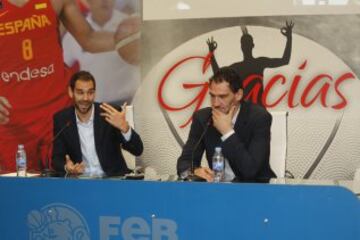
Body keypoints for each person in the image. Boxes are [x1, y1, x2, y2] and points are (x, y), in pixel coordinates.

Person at [0, 0, 133, 172]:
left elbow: (89, 38)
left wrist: (132, 39)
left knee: (69, 182)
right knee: (18, 193)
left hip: (57, 115)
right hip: (11, 122)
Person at [177, 67, 276, 182]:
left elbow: (250, 171)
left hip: (255, 190)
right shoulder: (203, 118)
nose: (215, 103)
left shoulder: (259, 117)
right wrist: (193, 171)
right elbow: (184, 162)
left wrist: (227, 132)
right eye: (212, 96)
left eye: (222, 97)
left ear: (238, 95)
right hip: (219, 191)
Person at [51, 71, 143, 176]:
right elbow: (56, 158)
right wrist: (67, 167)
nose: (85, 98)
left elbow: (138, 150)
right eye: (80, 92)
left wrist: (125, 128)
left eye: (90, 92)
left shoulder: (109, 113)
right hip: (82, 184)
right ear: (71, 92)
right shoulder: (62, 119)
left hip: (113, 182)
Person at [63, 0, 140, 104]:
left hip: (128, 102)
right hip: (94, 105)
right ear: (88, 2)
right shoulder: (76, 33)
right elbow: (62, 65)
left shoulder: (131, 27)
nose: (104, 1)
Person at [207, 21, 294, 106]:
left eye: (246, 44)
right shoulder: (256, 63)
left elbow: (285, 60)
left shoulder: (243, 66)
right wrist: (289, 38)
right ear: (251, 45)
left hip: (256, 110)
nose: (245, 46)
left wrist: (211, 53)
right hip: (249, 110)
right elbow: (218, 74)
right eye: (245, 44)